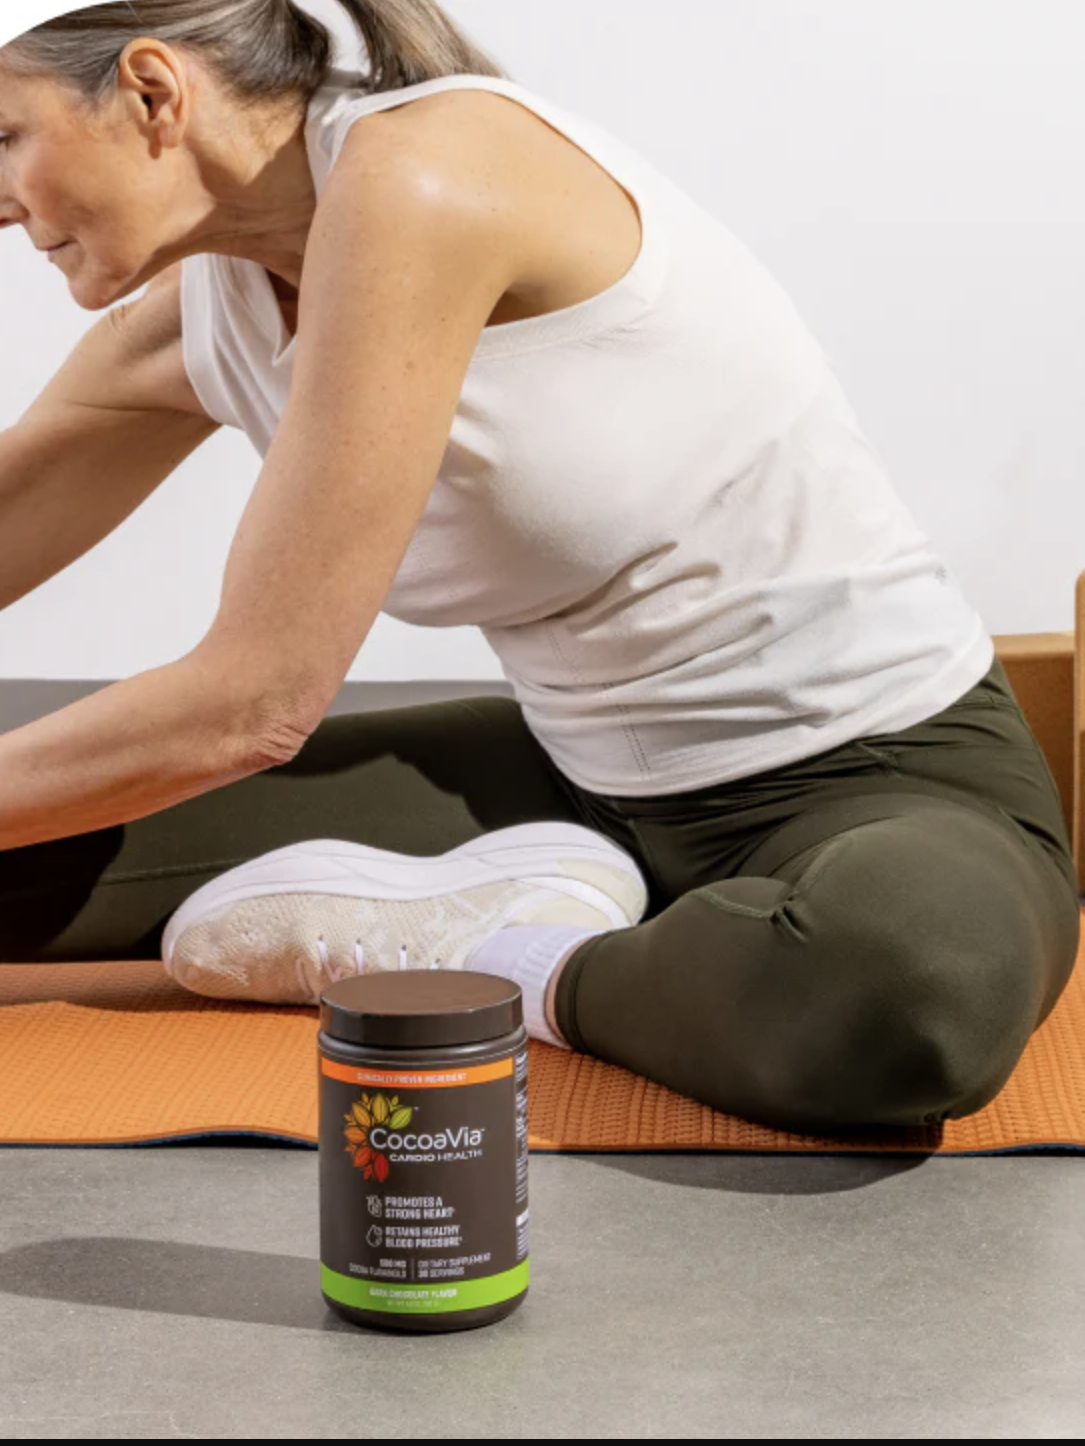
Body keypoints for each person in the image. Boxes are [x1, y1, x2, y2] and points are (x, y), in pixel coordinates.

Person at [0, 0, 1078, 1135]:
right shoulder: (199, 320)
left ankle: (508, 954)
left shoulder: (427, 169)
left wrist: (516, 964)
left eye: (5, 137)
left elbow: (254, 702)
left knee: (910, 998)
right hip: (569, 790)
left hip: (872, 781)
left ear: (153, 92)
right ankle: (577, 913)